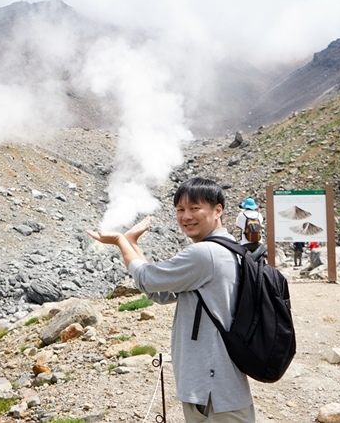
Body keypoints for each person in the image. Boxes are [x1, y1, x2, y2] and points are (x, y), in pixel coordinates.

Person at [86, 177, 256, 422]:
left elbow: (146, 278)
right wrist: (133, 243)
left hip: (213, 389)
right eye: (180, 209)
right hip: (213, 385)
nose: (186, 216)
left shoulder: (205, 254)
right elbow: (161, 292)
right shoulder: (228, 248)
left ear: (218, 210)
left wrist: (121, 241)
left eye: (194, 208)